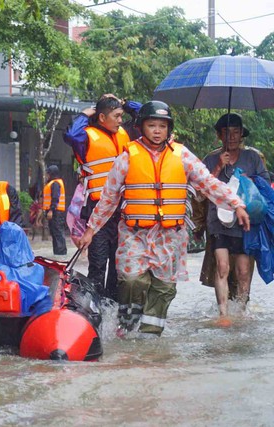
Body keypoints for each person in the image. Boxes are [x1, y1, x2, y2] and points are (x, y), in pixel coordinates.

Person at [78, 101, 249, 336]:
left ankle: (150, 343)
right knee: (131, 281)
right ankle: (126, 326)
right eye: (152, 125)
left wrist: (237, 204)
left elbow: (209, 184)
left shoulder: (183, 155)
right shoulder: (127, 157)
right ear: (141, 127)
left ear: (169, 129)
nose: (157, 131)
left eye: (162, 126)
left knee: (163, 289)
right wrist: (90, 231)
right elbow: (108, 199)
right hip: (135, 235)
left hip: (170, 238)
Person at [64, 94, 141, 300]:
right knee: (98, 264)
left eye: (121, 116)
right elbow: (70, 135)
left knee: (118, 265)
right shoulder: (86, 137)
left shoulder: (125, 133)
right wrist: (85, 112)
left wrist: (125, 104)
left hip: (123, 210)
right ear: (101, 118)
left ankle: (113, 309)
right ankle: (95, 310)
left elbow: (145, 116)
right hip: (97, 210)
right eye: (116, 116)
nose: (120, 120)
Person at [202, 113, 269, 320]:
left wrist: (250, 180)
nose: (231, 137)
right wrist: (219, 167)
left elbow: (265, 184)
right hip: (218, 221)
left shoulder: (253, 158)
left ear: (242, 135)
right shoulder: (211, 158)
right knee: (222, 266)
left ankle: (241, 312)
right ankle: (223, 314)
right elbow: (201, 190)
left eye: (236, 132)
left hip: (244, 221)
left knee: (243, 270)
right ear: (219, 135)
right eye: (226, 133)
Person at [42, 165, 67, 256]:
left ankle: (60, 254)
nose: (47, 175)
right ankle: (58, 252)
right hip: (55, 212)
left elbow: (55, 198)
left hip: (56, 212)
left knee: (58, 233)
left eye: (48, 173)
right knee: (56, 233)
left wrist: (51, 210)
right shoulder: (53, 183)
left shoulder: (55, 184)